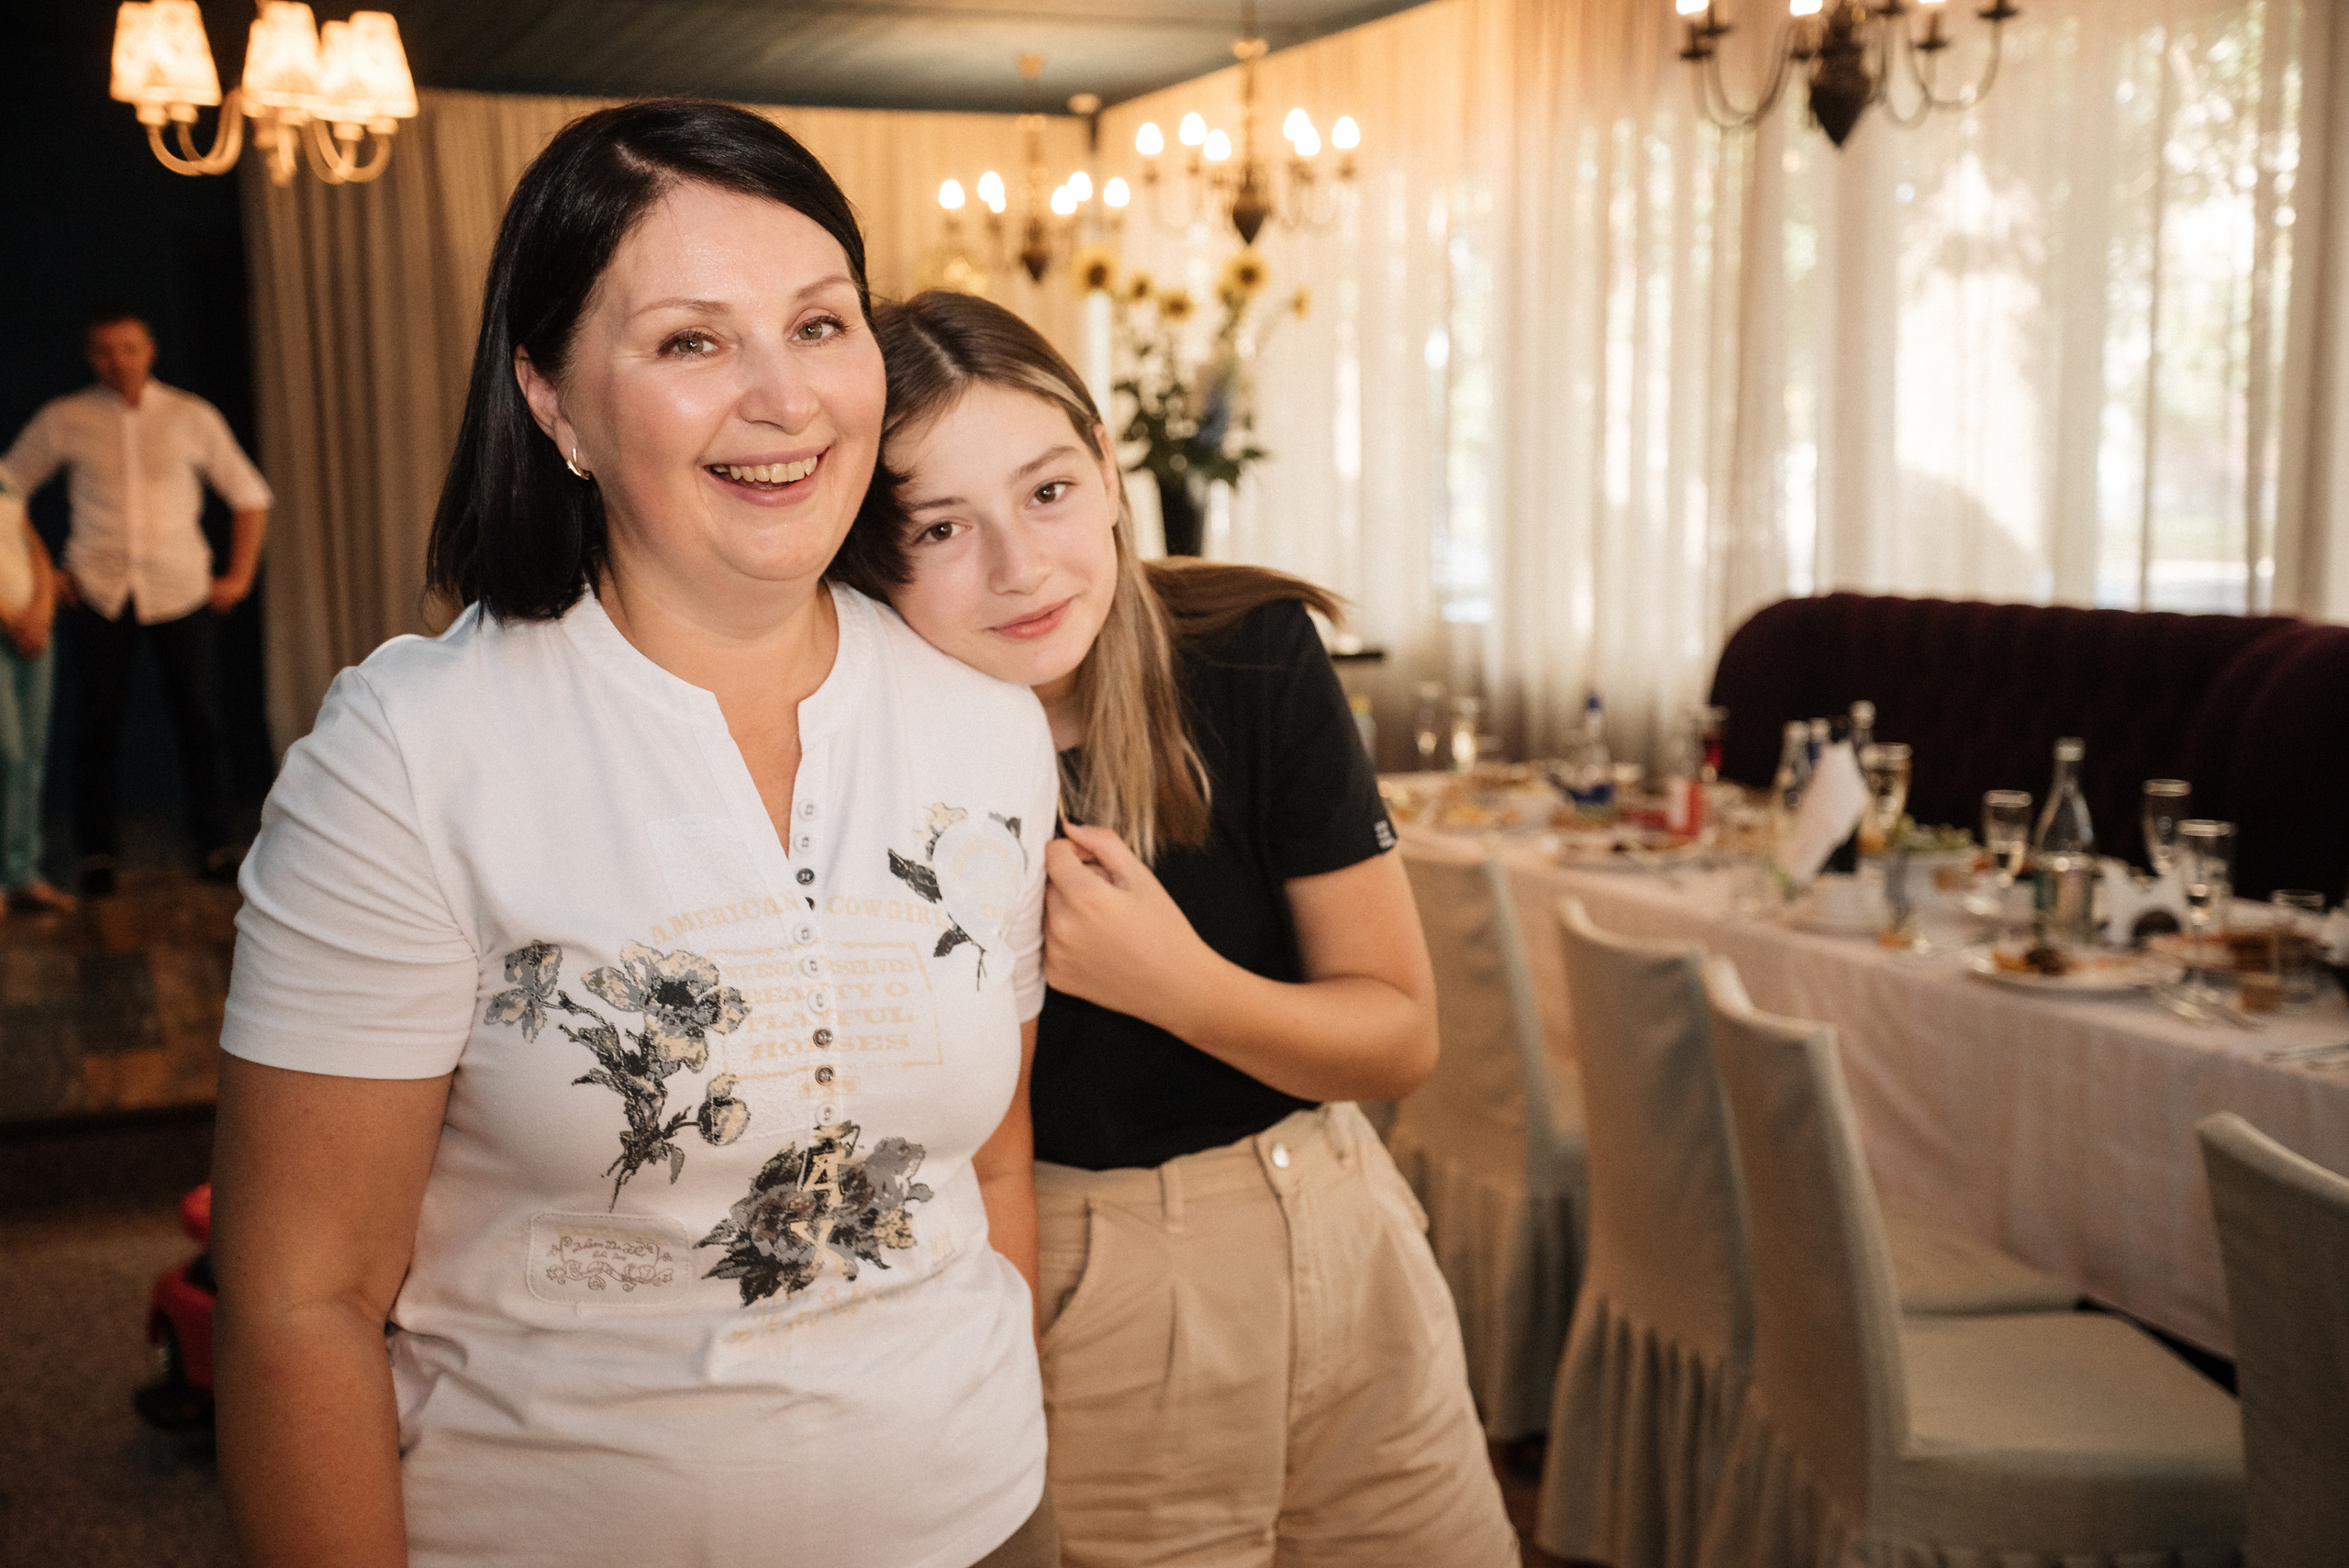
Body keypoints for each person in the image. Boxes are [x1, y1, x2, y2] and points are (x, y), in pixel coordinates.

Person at [210, 102, 1060, 1568]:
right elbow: (304, 1301)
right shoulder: (414, 756)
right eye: (691, 342)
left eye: (819, 323)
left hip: (984, 1524)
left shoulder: (986, 725)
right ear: (552, 401)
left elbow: (988, 1175)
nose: (785, 399)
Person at [834, 290, 1520, 1568]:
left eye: (1047, 492)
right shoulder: (867, 759)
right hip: (1092, 1287)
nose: (1022, 566)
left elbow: (1399, 1038)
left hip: (1347, 1234)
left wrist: (1175, 981)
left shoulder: (1252, 653)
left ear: (1107, 468)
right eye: (941, 525)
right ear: (870, 556)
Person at [0, 308, 271, 894]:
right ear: (90, 357)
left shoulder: (191, 415)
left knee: (199, 718)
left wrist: (239, 576)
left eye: (128, 348)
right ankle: (98, 853)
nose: (117, 360)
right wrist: (46, 572)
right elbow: (8, 492)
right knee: (97, 723)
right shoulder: (64, 418)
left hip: (180, 587)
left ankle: (215, 844)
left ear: (148, 351)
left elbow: (250, 495)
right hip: (98, 588)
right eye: (104, 350)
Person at [0, 476, 73, 913]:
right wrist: (12, 618)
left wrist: (43, 609)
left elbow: (33, 547)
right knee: (5, 753)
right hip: (11, 625)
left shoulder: (6, 479)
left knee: (31, 754)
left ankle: (23, 872)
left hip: (33, 628)